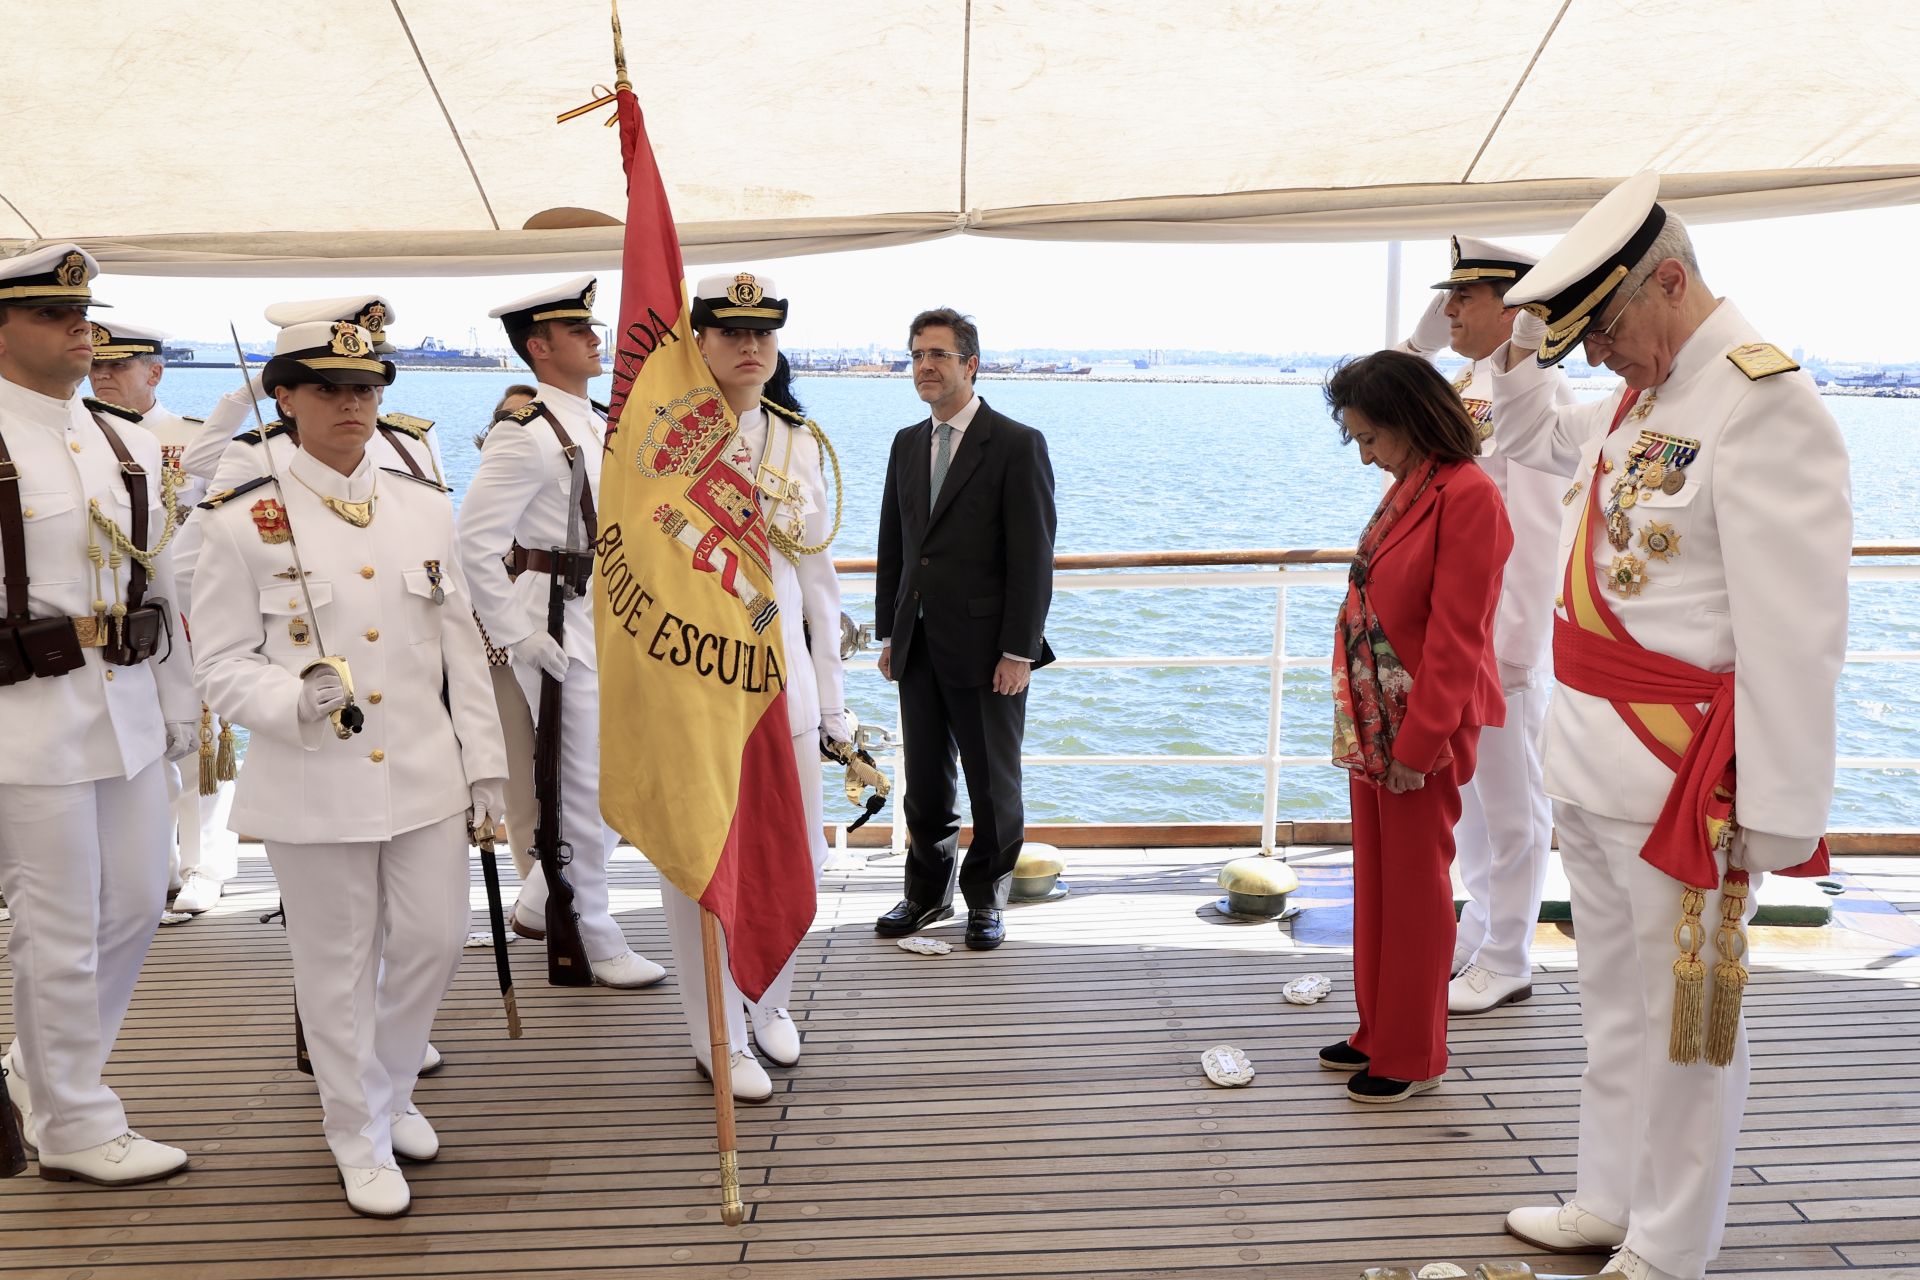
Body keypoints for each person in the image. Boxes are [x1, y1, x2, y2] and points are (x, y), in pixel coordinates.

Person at [1488, 174, 1851, 1280]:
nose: (1599, 356)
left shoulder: (1762, 402)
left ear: (1674, 282)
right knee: (1612, 1004)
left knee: (1691, 1027)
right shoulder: (1646, 399)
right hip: (1592, 762)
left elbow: (1796, 630)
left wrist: (1779, 814)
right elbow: (1541, 439)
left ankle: (1672, 1242)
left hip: (1685, 783)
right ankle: (1609, 1195)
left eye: (1607, 327)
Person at [189, 314, 508, 1218]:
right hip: (312, 777)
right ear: (283, 396)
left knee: (435, 943)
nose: (351, 403)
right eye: (327, 387)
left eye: (365, 388)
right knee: (334, 966)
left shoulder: (424, 505)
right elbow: (219, 662)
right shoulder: (240, 519)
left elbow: (462, 650)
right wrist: (289, 698)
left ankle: (391, 1086)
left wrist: (485, 767)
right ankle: (357, 1133)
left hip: (422, 772)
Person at [0, 244, 199, 1184]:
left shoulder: (116, 439)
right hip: (23, 715)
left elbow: (157, 585)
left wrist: (179, 712)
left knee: (133, 902)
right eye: (52, 314)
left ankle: (42, 1070)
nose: (81, 326)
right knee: (58, 920)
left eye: (82, 311)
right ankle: (73, 1120)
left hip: (122, 702)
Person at [656, 272, 850, 1098]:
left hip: (784, 685)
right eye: (730, 332)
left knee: (790, 849)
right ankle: (717, 1033)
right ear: (697, 341)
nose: (748, 346)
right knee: (701, 863)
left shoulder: (796, 440)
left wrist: (835, 704)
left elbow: (818, 584)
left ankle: (769, 997)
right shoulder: (654, 442)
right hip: (692, 683)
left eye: (763, 333)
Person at [456, 277, 666, 988]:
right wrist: (516, 635)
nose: (594, 337)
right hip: (557, 617)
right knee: (580, 786)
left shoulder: (593, 416)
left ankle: (546, 897)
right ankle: (594, 935)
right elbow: (475, 544)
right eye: (577, 331)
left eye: (592, 327)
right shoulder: (525, 435)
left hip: (609, 613)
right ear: (540, 348)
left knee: (619, 773)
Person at [1321, 350, 1512, 1104]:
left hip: (1417, 725)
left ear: (1408, 421)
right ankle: (1378, 1028)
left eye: (1370, 438)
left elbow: (1459, 636)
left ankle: (1412, 1051)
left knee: (1416, 888)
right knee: (1377, 880)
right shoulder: (1413, 485)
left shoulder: (1468, 497)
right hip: (1377, 717)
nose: (1365, 456)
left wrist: (1420, 742)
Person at [1398, 238, 1569, 1014]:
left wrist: (1514, 654)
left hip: (1501, 642)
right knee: (1465, 797)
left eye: (1463, 298)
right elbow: (1382, 392)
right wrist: (1420, 345)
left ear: (1517, 307)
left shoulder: (1545, 400)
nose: (1449, 311)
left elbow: (1534, 538)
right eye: (1448, 298)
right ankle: (1481, 928)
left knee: (1512, 802)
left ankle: (1510, 955)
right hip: (1457, 635)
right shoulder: (1468, 385)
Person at [872, 307, 1056, 951]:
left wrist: (1018, 651)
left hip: (988, 651)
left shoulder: (1015, 443)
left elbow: (1033, 558)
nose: (925, 365)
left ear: (970, 364)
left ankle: (987, 900)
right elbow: (895, 545)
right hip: (917, 643)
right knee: (925, 784)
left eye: (939, 355)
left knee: (993, 786)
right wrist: (889, 635)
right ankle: (924, 895)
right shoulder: (904, 442)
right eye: (917, 354)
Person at [88, 318, 239, 917]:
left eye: (117, 366)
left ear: (153, 372)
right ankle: (158, 864)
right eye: (96, 365)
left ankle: (206, 865)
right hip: (111, 612)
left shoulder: (191, 436)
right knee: (128, 736)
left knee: (201, 738)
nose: (102, 376)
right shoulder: (77, 440)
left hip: (188, 609)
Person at [180, 295, 443, 489]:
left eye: (369, 371)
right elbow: (199, 462)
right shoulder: (268, 450)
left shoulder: (412, 441)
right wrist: (245, 397)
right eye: (329, 383)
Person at [471, 382, 541, 883]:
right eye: (511, 419)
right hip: (500, 656)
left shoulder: (570, 495)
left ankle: (574, 896)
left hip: (567, 647)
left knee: (578, 780)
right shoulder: (487, 489)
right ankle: (533, 896)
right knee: (520, 788)